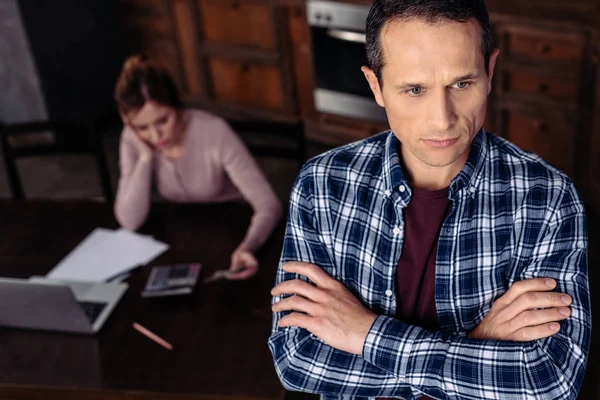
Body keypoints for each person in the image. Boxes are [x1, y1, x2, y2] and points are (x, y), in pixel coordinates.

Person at [268, 0, 591, 399]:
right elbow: (296, 358)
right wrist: (476, 341)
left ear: (489, 72)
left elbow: (551, 381)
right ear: (376, 86)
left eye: (461, 84)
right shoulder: (322, 184)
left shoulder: (548, 198)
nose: (443, 119)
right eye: (415, 89)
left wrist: (366, 334)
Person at [114, 55, 282, 280]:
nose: (155, 136)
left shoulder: (214, 131)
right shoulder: (132, 139)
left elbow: (269, 204)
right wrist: (145, 157)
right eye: (142, 127)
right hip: (182, 238)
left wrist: (248, 246)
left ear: (178, 108)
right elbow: (129, 220)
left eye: (163, 120)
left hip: (233, 227)